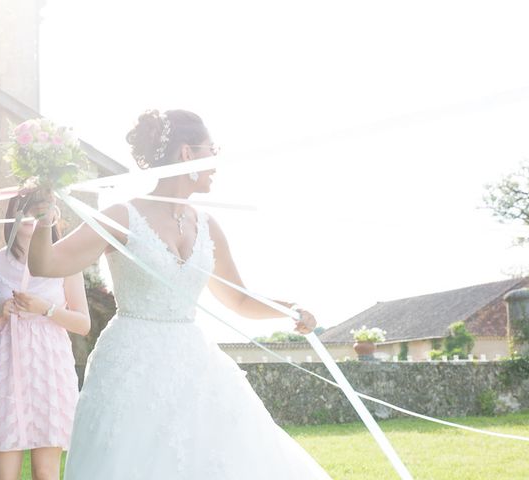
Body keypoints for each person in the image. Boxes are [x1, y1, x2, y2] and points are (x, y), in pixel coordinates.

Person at [28, 109, 332, 479]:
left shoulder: (209, 225)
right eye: (211, 149)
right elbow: (46, 265)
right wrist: (44, 219)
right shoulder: (121, 216)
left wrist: (290, 309)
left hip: (195, 364)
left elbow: (238, 299)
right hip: (131, 364)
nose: (216, 161)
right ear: (187, 153)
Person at [0, 196, 91, 480]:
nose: (29, 213)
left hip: (49, 369)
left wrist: (46, 309)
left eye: (39, 207)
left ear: (51, 215)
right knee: (4, 474)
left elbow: (83, 323)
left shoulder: (66, 262)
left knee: (45, 472)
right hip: (8, 369)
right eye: (22, 206)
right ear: (11, 214)